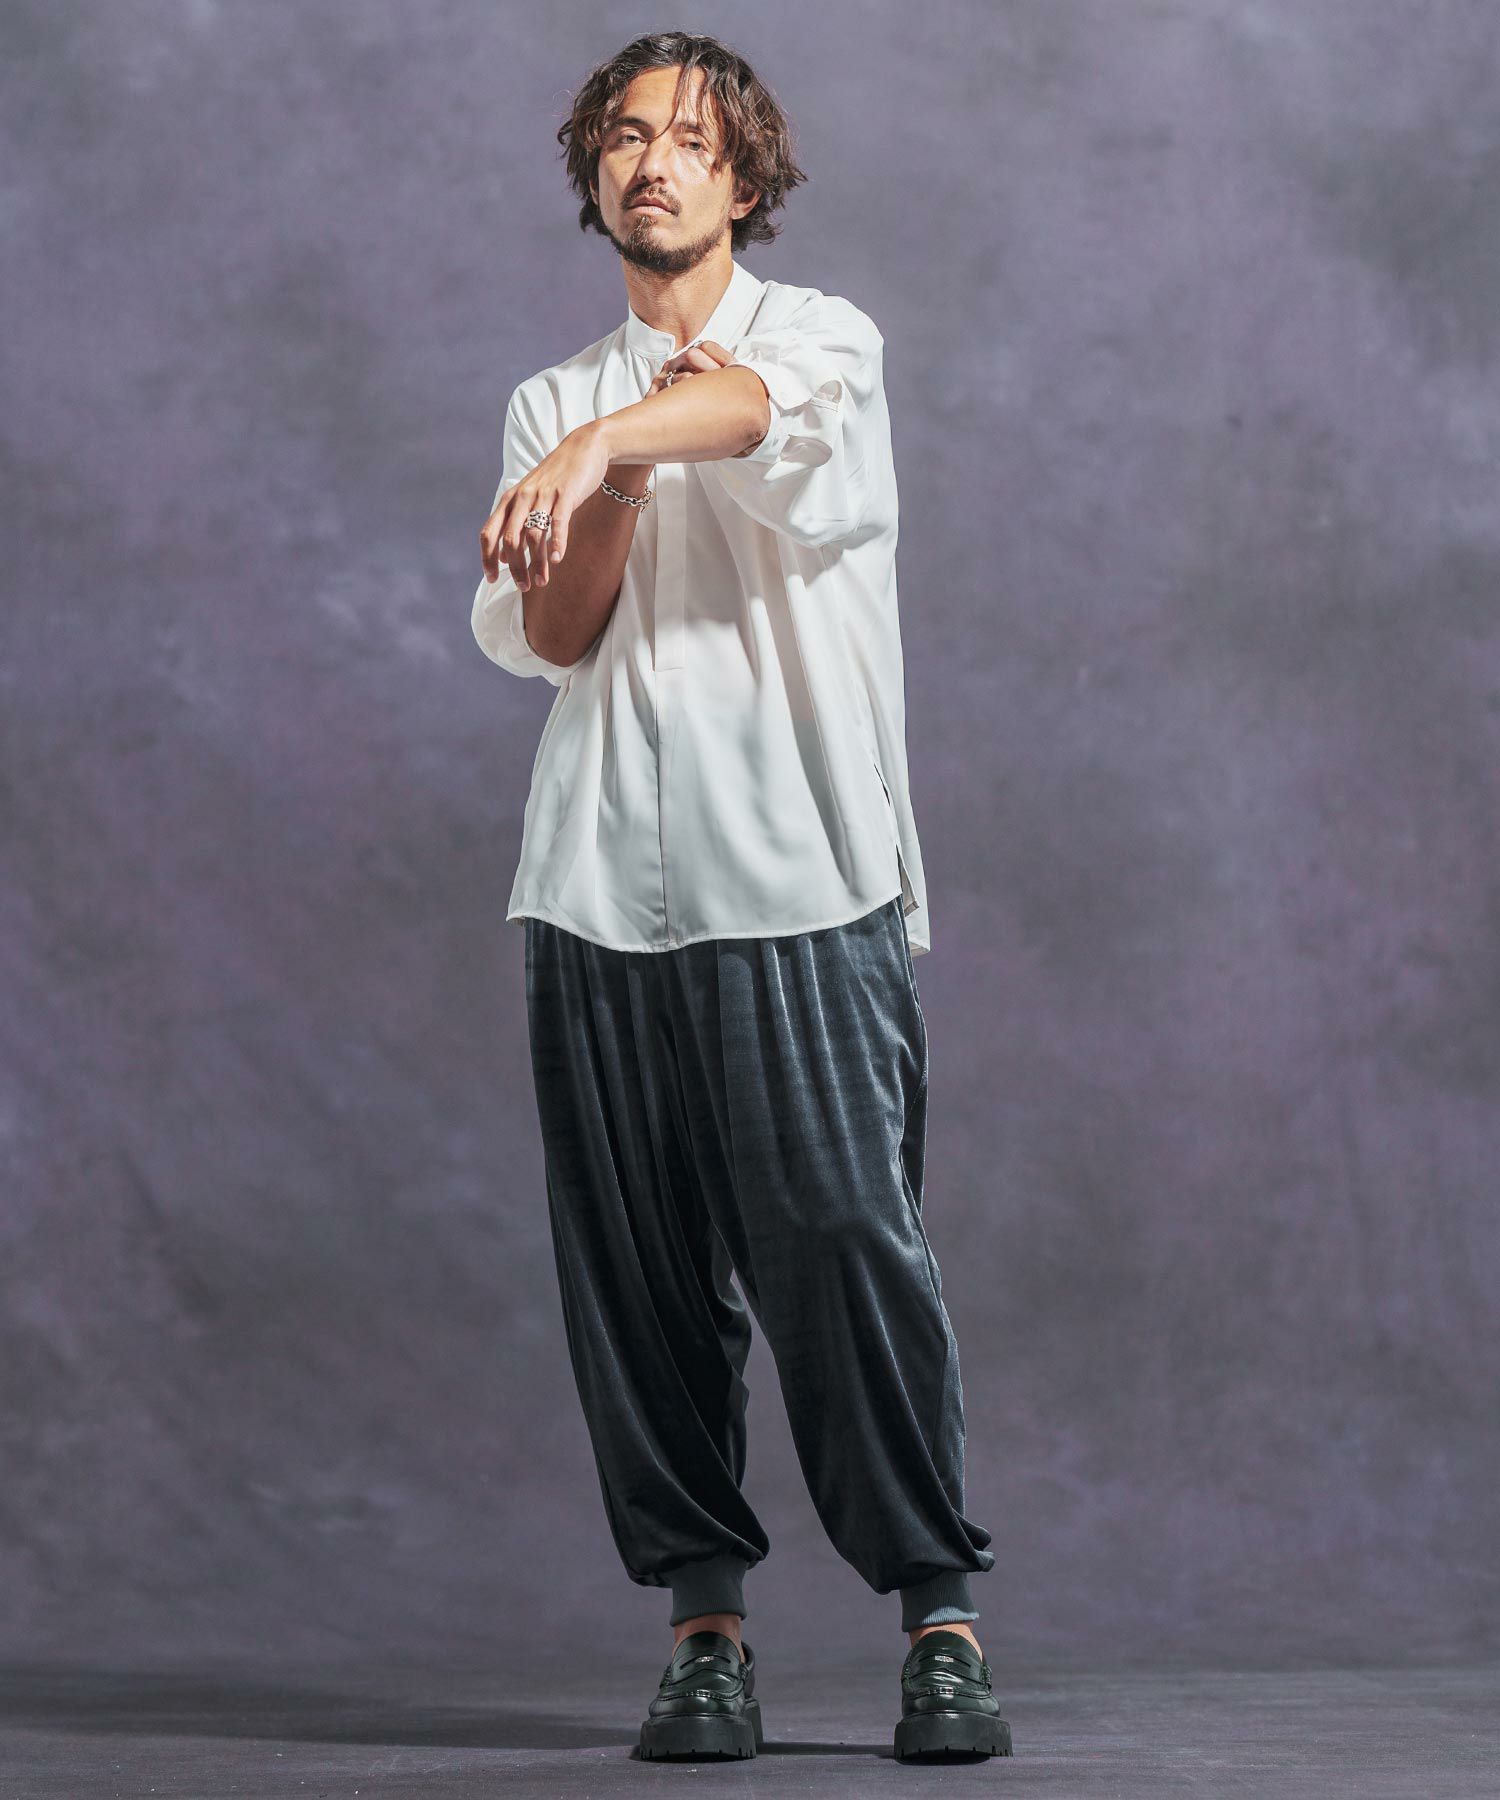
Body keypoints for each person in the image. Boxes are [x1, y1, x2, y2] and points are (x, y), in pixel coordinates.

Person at [471, 31, 1012, 1764]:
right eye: (627, 137)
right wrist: (609, 464)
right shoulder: (553, 406)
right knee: (638, 1282)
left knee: (849, 1244)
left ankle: (939, 1618)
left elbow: (751, 416)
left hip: (803, 879)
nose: (655, 162)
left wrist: (620, 439)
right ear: (595, 173)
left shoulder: (822, 338)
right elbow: (561, 633)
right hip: (596, 896)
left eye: (692, 140)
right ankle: (705, 1632)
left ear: (745, 178)